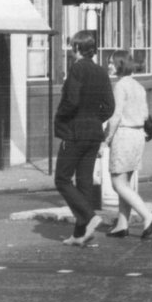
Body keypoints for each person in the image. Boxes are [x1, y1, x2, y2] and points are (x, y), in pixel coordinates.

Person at [54, 30, 115, 247]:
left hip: (75, 132)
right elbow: (109, 106)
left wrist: (60, 118)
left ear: (78, 48)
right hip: (94, 134)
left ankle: (89, 217)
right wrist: (93, 120)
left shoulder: (77, 69)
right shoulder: (101, 72)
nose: (72, 51)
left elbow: (71, 101)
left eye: (73, 47)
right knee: (84, 182)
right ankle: (81, 234)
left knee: (61, 179)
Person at [103, 50, 152, 239]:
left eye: (111, 62)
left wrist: (106, 140)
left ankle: (147, 215)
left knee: (117, 183)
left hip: (124, 134)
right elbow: (145, 115)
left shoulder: (120, 86)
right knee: (125, 182)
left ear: (120, 64)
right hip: (138, 135)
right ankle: (122, 224)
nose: (109, 66)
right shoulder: (139, 86)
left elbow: (115, 116)